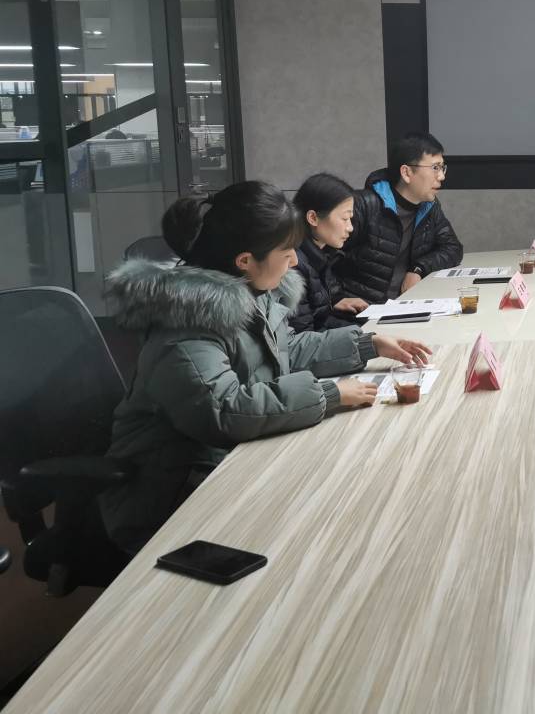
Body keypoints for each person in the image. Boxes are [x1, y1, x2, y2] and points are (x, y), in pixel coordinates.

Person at [99, 182, 432, 553]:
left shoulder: (251, 293)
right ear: (245, 260)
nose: (295, 263)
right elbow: (225, 409)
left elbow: (285, 350)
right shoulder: (184, 326)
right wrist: (328, 394)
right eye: (286, 252)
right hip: (174, 497)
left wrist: (367, 344)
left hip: (234, 464)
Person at [339, 132, 463, 304]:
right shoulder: (363, 205)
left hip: (406, 305)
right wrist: (337, 298)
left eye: (442, 168)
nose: (442, 176)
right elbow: (326, 257)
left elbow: (452, 248)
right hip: (363, 310)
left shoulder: (429, 207)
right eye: (435, 168)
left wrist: (418, 269)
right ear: (406, 172)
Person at [289, 172, 369, 332]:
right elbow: (304, 337)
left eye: (351, 219)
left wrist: (334, 302)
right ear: (313, 218)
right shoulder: (294, 263)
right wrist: (365, 336)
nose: (350, 228)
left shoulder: (321, 253)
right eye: (344, 219)